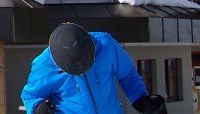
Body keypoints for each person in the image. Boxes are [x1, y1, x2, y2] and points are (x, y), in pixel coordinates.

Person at [21, 23, 166, 114]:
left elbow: (128, 75)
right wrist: (37, 108)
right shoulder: (44, 65)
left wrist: (140, 98)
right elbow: (30, 96)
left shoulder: (105, 45)